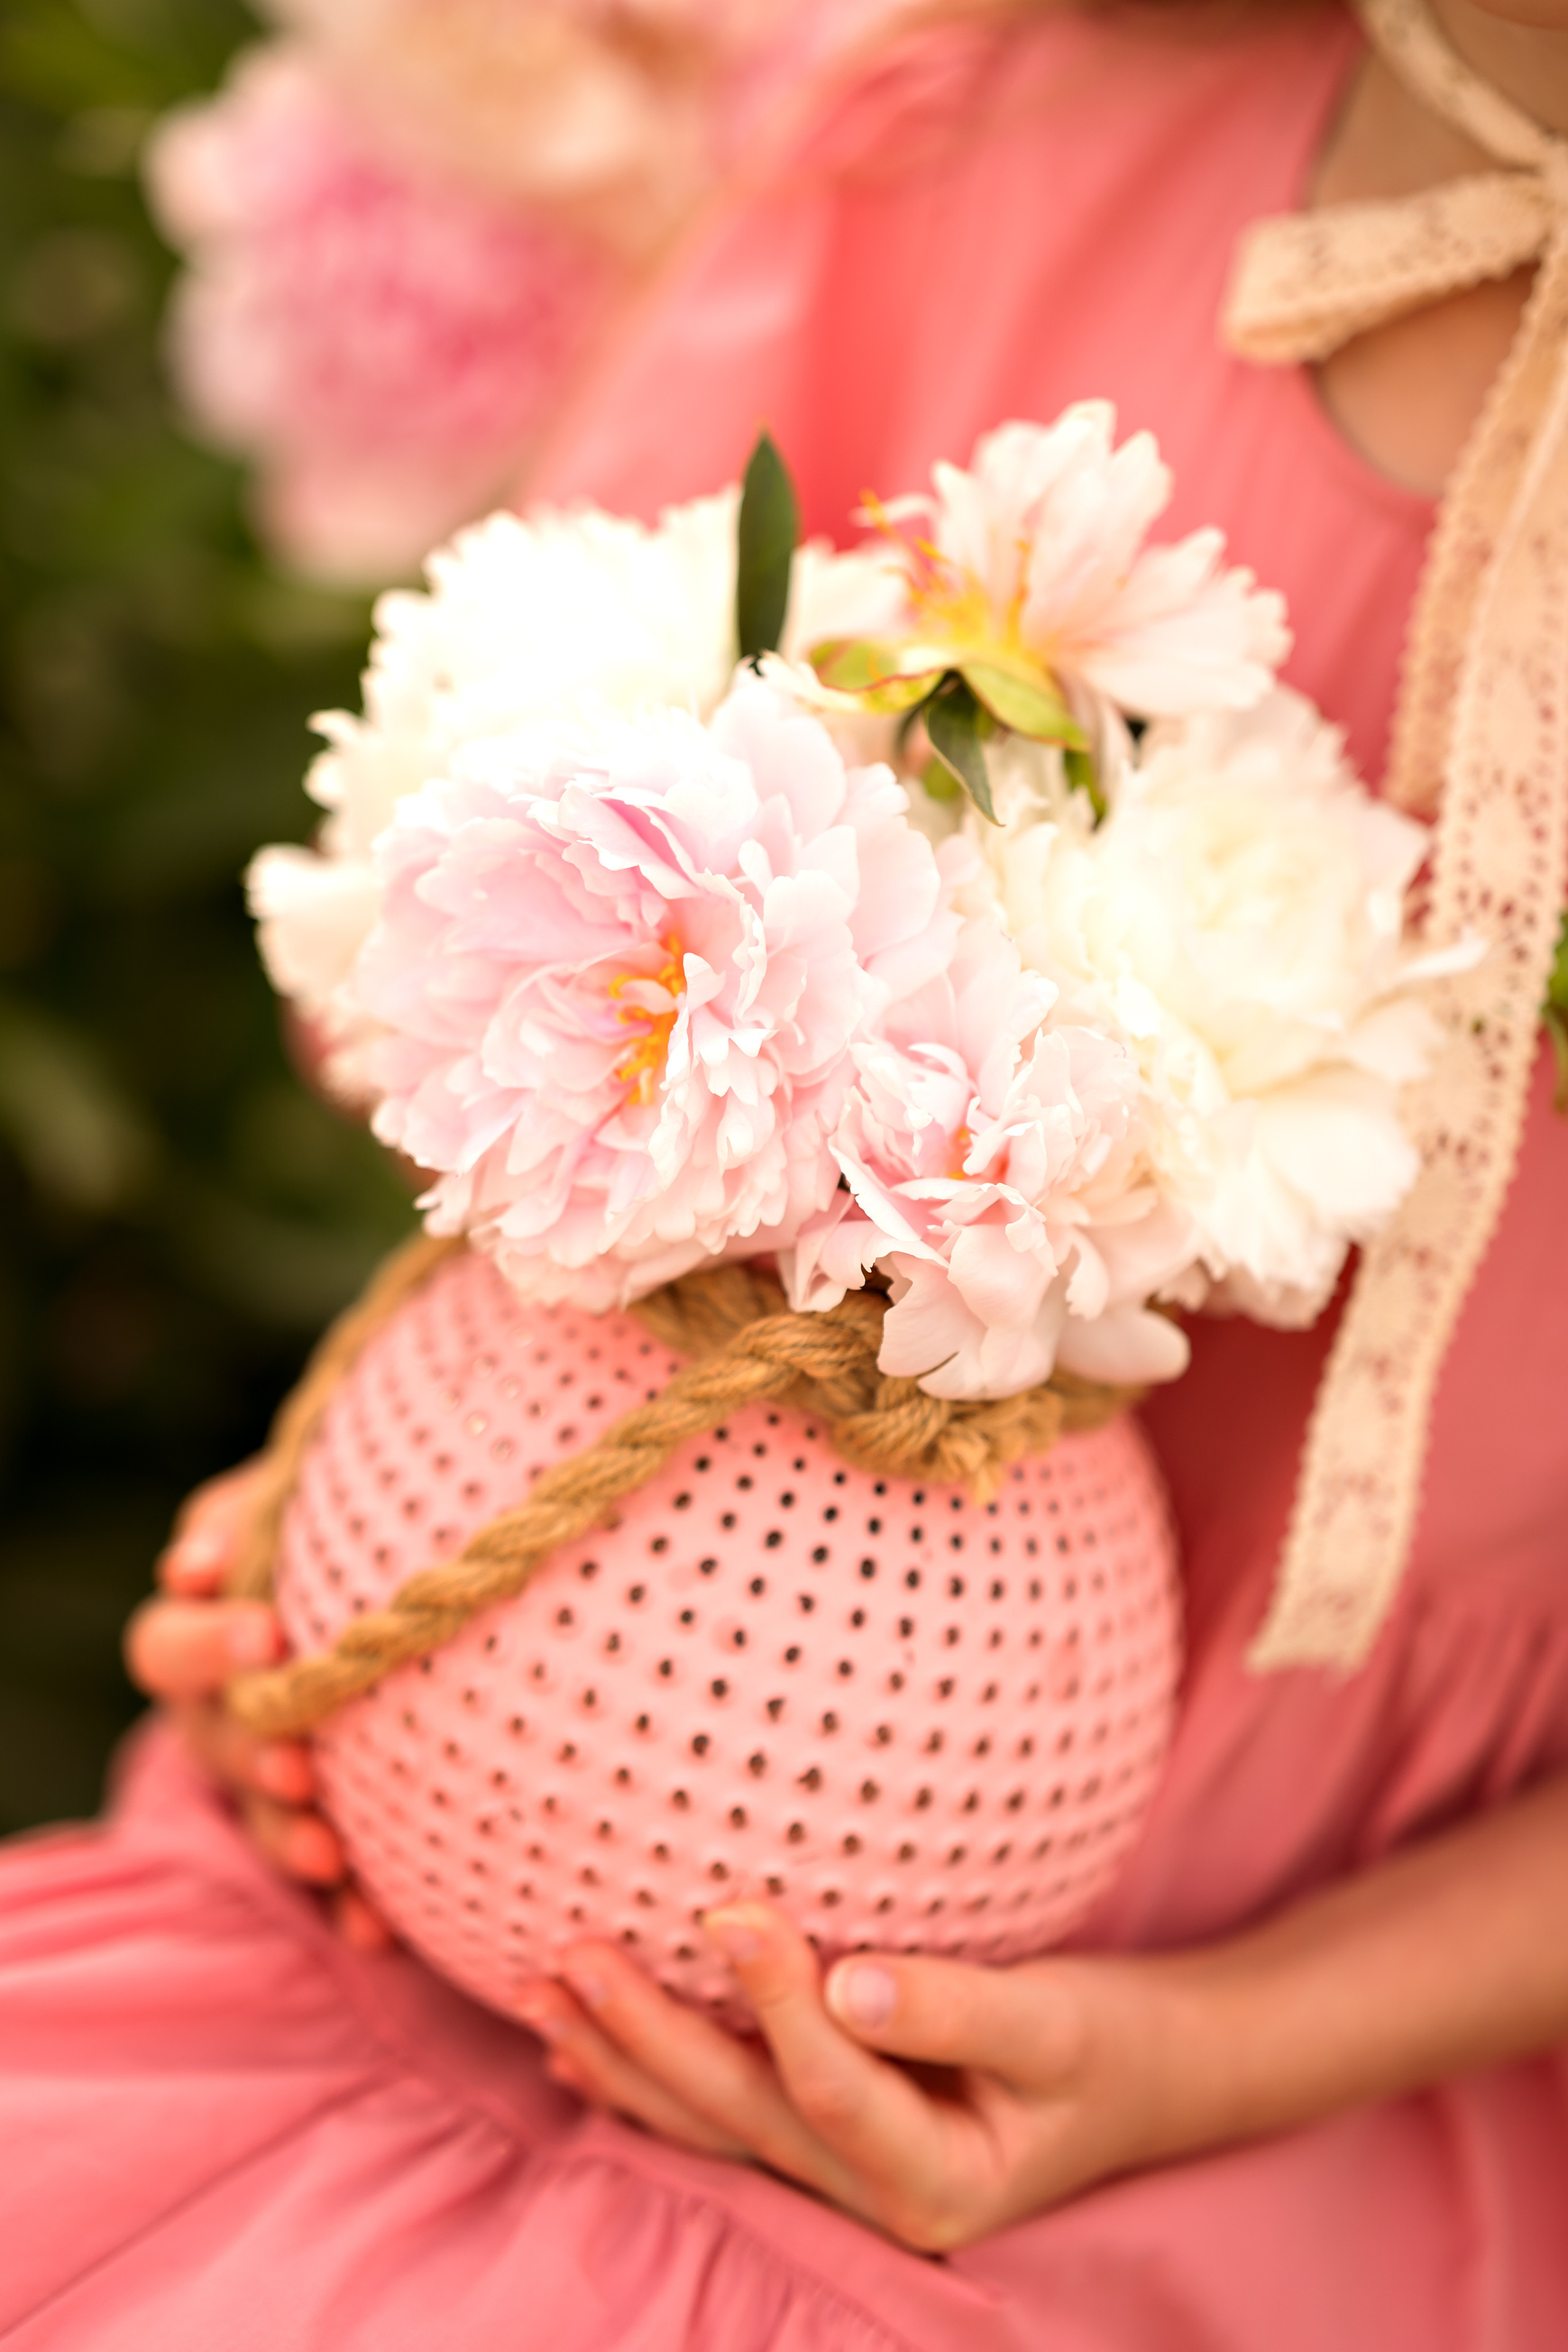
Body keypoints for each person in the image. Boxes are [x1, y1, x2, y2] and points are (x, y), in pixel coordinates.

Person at [6, 1, 1568, 2343]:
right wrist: (384, 1508)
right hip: (485, 1831)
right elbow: (545, 936)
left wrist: (1197, 2064)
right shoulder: (1005, 125)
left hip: (1281, 2065)